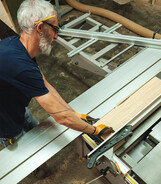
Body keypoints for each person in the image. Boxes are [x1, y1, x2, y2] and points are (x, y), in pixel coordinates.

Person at [0, 0, 114, 148]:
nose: (55, 36)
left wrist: (74, 113)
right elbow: (61, 117)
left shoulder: (16, 44)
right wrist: (96, 131)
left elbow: (44, 83)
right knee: (25, 152)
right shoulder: (20, 65)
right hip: (6, 122)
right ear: (40, 27)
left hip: (16, 107)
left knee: (35, 129)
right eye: (55, 29)